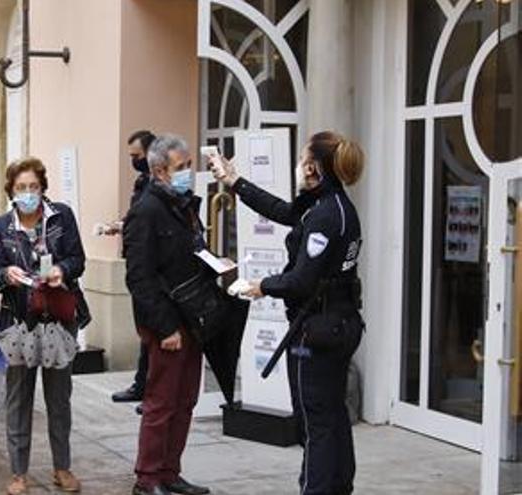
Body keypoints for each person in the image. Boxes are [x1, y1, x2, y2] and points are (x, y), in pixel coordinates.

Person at [210, 131, 365, 495]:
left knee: (315, 423)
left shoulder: (327, 214)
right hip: (338, 322)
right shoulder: (327, 204)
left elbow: (301, 280)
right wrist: (235, 182)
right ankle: (340, 486)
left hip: (319, 329)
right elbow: (282, 211)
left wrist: (260, 285)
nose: (297, 165)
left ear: (312, 168)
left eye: (301, 159)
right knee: (332, 414)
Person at [0, 157, 86, 495]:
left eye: (33, 186)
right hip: (19, 320)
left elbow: (78, 259)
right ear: (11, 191)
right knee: (18, 398)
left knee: (59, 398)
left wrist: (62, 270)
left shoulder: (61, 216)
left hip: (58, 317)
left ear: (42, 187)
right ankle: (18, 473)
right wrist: (6, 275)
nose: (28, 193)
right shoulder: (1, 226)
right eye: (21, 188)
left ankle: (62, 467)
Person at [124, 134, 212, 495]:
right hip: (167, 324)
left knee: (185, 400)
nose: (188, 173)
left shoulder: (184, 205)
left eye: (190, 165)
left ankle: (170, 472)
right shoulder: (145, 211)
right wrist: (165, 327)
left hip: (194, 317)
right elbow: (139, 277)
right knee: (160, 403)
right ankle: (147, 478)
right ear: (160, 170)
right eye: (182, 167)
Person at [112, 129, 156, 407]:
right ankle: (143, 384)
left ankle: (149, 388)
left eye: (136, 156)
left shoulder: (156, 186)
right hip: (137, 262)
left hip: (150, 267)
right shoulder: (143, 182)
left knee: (153, 331)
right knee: (145, 331)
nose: (134, 161)